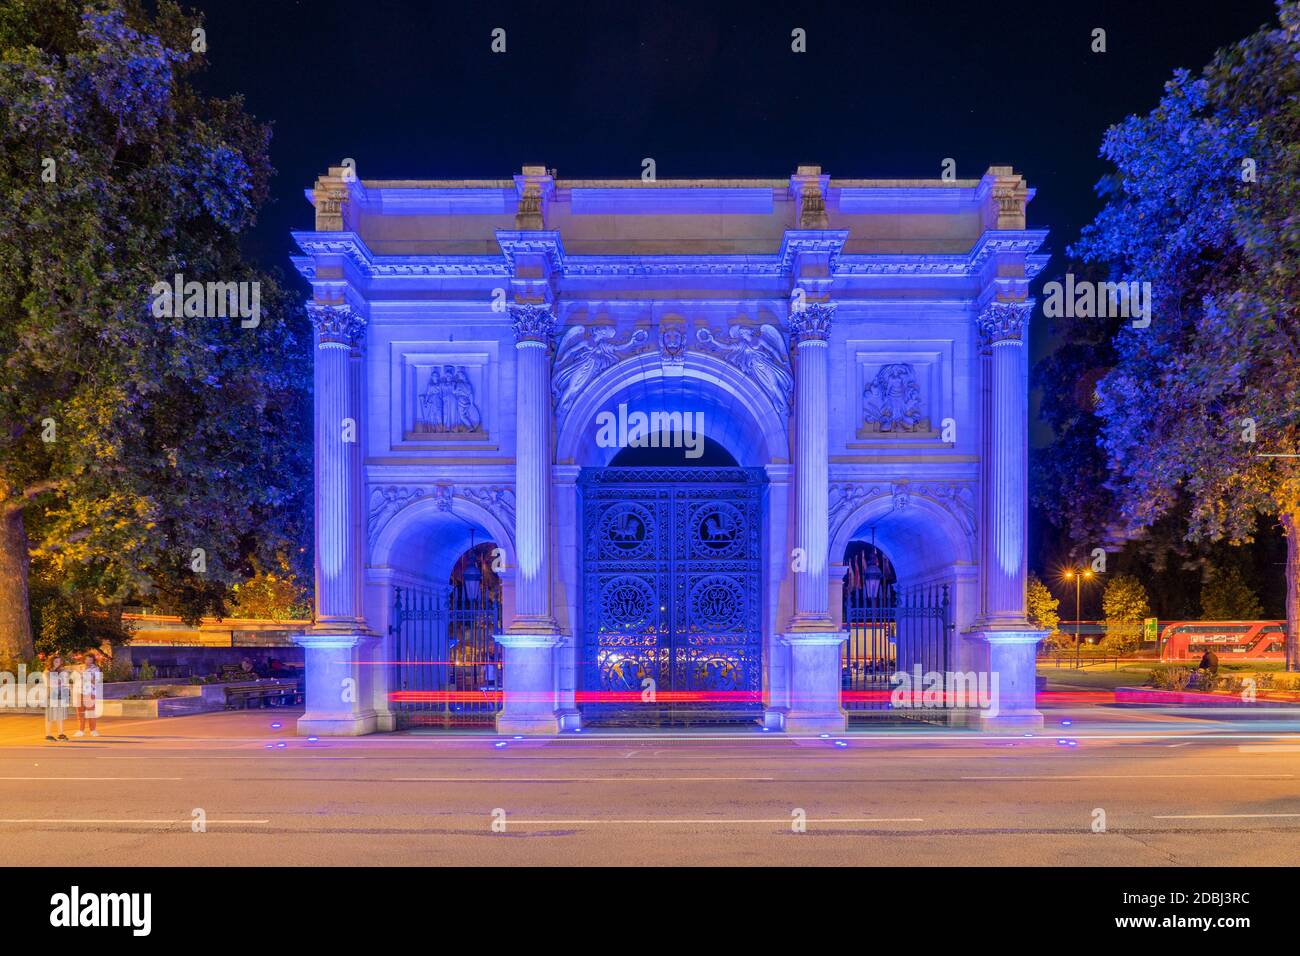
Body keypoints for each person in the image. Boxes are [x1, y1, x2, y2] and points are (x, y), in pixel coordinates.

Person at [73, 652, 102, 738]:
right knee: (80, 712)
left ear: (93, 660)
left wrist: (85, 676)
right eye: (87, 659)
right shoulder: (79, 667)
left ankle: (93, 730)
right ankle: (80, 730)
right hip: (79, 691)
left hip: (89, 692)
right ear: (84, 659)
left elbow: (96, 681)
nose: (89, 661)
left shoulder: (96, 669)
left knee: (91, 712)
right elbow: (73, 678)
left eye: (91, 660)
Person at [43, 655, 69, 742]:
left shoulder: (61, 671)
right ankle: (48, 735)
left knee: (59, 716)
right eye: (56, 661)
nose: (58, 663)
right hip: (51, 694)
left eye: (59, 661)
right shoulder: (47, 672)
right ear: (51, 662)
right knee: (50, 716)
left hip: (60, 694)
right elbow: (49, 684)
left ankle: (60, 734)